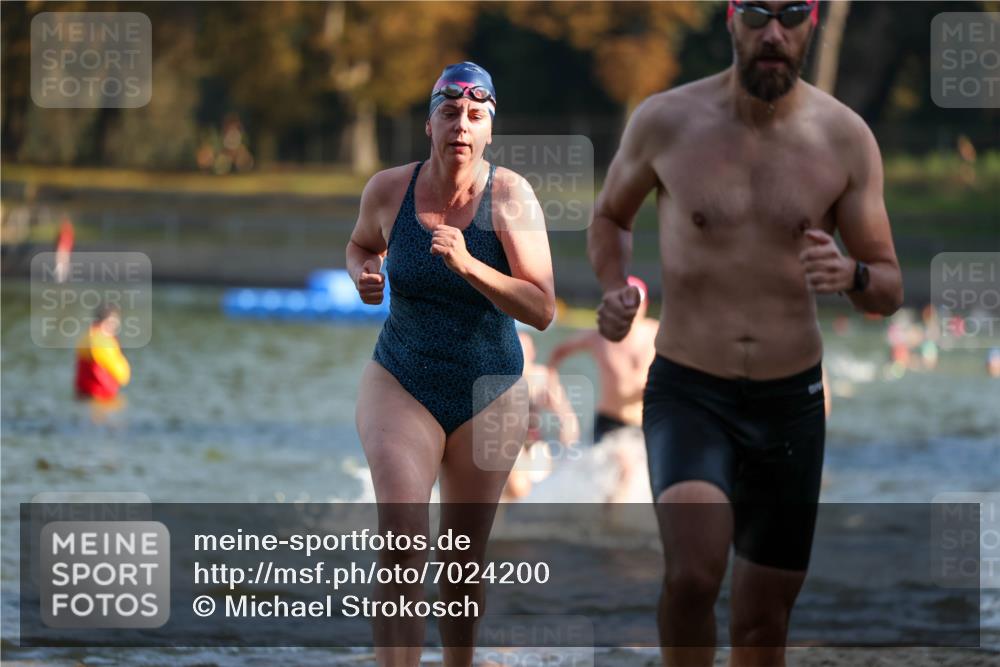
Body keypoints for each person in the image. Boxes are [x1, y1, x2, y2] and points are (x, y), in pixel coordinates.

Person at [586, 2, 903, 665]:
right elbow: (612, 215)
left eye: (791, 15)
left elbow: (889, 289)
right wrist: (618, 286)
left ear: (812, 23)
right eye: (757, 13)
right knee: (694, 575)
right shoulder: (667, 121)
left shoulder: (845, 139)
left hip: (791, 403)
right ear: (731, 19)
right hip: (689, 390)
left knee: (763, 622)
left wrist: (852, 272)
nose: (774, 34)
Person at [346, 61, 555, 667]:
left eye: (475, 115)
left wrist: (470, 266)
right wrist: (362, 272)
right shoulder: (390, 189)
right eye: (449, 112)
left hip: (490, 389)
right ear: (429, 124)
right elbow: (362, 242)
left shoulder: (511, 196)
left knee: (462, 565)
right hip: (400, 377)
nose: (461, 124)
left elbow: (542, 306)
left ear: (489, 129)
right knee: (402, 541)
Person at [547, 275, 658, 443]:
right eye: (623, 301)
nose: (629, 308)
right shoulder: (599, 336)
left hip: (645, 425)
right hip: (609, 424)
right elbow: (556, 355)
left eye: (634, 302)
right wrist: (563, 411)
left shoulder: (657, 334)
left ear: (645, 305)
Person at [501, 331, 581, 502]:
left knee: (542, 491)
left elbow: (566, 416)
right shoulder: (500, 376)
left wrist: (568, 449)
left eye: (525, 351)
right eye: (517, 351)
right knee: (518, 488)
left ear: (532, 353)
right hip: (506, 444)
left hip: (535, 442)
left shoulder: (542, 377)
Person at [75, 303, 131, 400]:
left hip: (82, 394)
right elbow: (123, 376)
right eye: (114, 323)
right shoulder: (102, 342)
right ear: (108, 322)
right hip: (99, 397)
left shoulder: (87, 337)